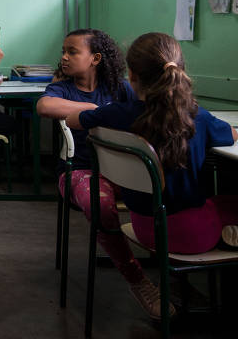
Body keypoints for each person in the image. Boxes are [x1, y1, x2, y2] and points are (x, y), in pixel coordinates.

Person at [67, 32, 238, 258]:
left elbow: (72, 120)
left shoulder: (117, 113)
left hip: (145, 229)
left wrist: (101, 112)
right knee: (228, 203)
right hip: (193, 234)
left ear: (132, 75)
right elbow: (232, 134)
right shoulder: (198, 117)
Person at [37, 28, 165, 321]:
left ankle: (174, 277)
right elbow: (45, 106)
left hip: (124, 172)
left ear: (95, 58)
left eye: (72, 51)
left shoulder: (120, 88)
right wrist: (98, 110)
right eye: (64, 51)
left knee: (167, 188)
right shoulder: (63, 89)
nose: (64, 57)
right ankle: (138, 280)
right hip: (79, 172)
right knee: (99, 202)